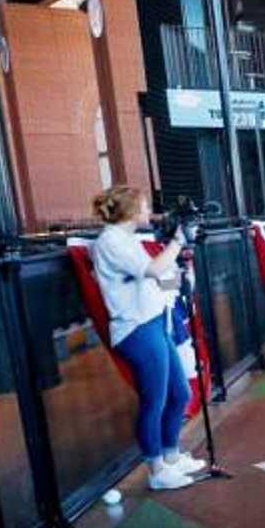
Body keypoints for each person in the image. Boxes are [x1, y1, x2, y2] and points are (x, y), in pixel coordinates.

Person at [89, 186, 203, 490]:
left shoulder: (124, 239)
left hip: (152, 321)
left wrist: (182, 271)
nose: (148, 211)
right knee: (155, 399)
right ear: (129, 211)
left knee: (180, 393)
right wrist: (178, 242)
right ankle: (156, 471)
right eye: (143, 206)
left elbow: (153, 279)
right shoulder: (111, 241)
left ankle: (171, 457)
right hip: (136, 328)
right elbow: (152, 269)